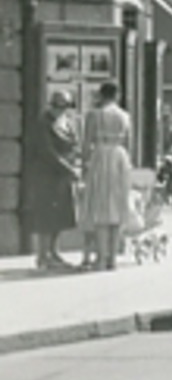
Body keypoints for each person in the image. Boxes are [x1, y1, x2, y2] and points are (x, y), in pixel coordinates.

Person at [79, 81, 132, 271]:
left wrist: (84, 165)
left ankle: (101, 257)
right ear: (116, 95)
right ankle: (112, 258)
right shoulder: (124, 116)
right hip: (119, 157)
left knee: (101, 206)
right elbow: (128, 142)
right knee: (118, 205)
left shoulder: (94, 115)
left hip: (101, 156)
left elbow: (86, 143)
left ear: (101, 95)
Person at [27, 90, 80, 270]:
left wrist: (75, 163)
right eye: (58, 106)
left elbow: (74, 143)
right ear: (52, 105)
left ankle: (54, 251)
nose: (61, 110)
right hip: (47, 174)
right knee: (46, 214)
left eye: (65, 106)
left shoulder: (67, 122)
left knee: (61, 214)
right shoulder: (44, 122)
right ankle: (43, 254)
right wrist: (67, 168)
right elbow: (46, 151)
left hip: (63, 176)